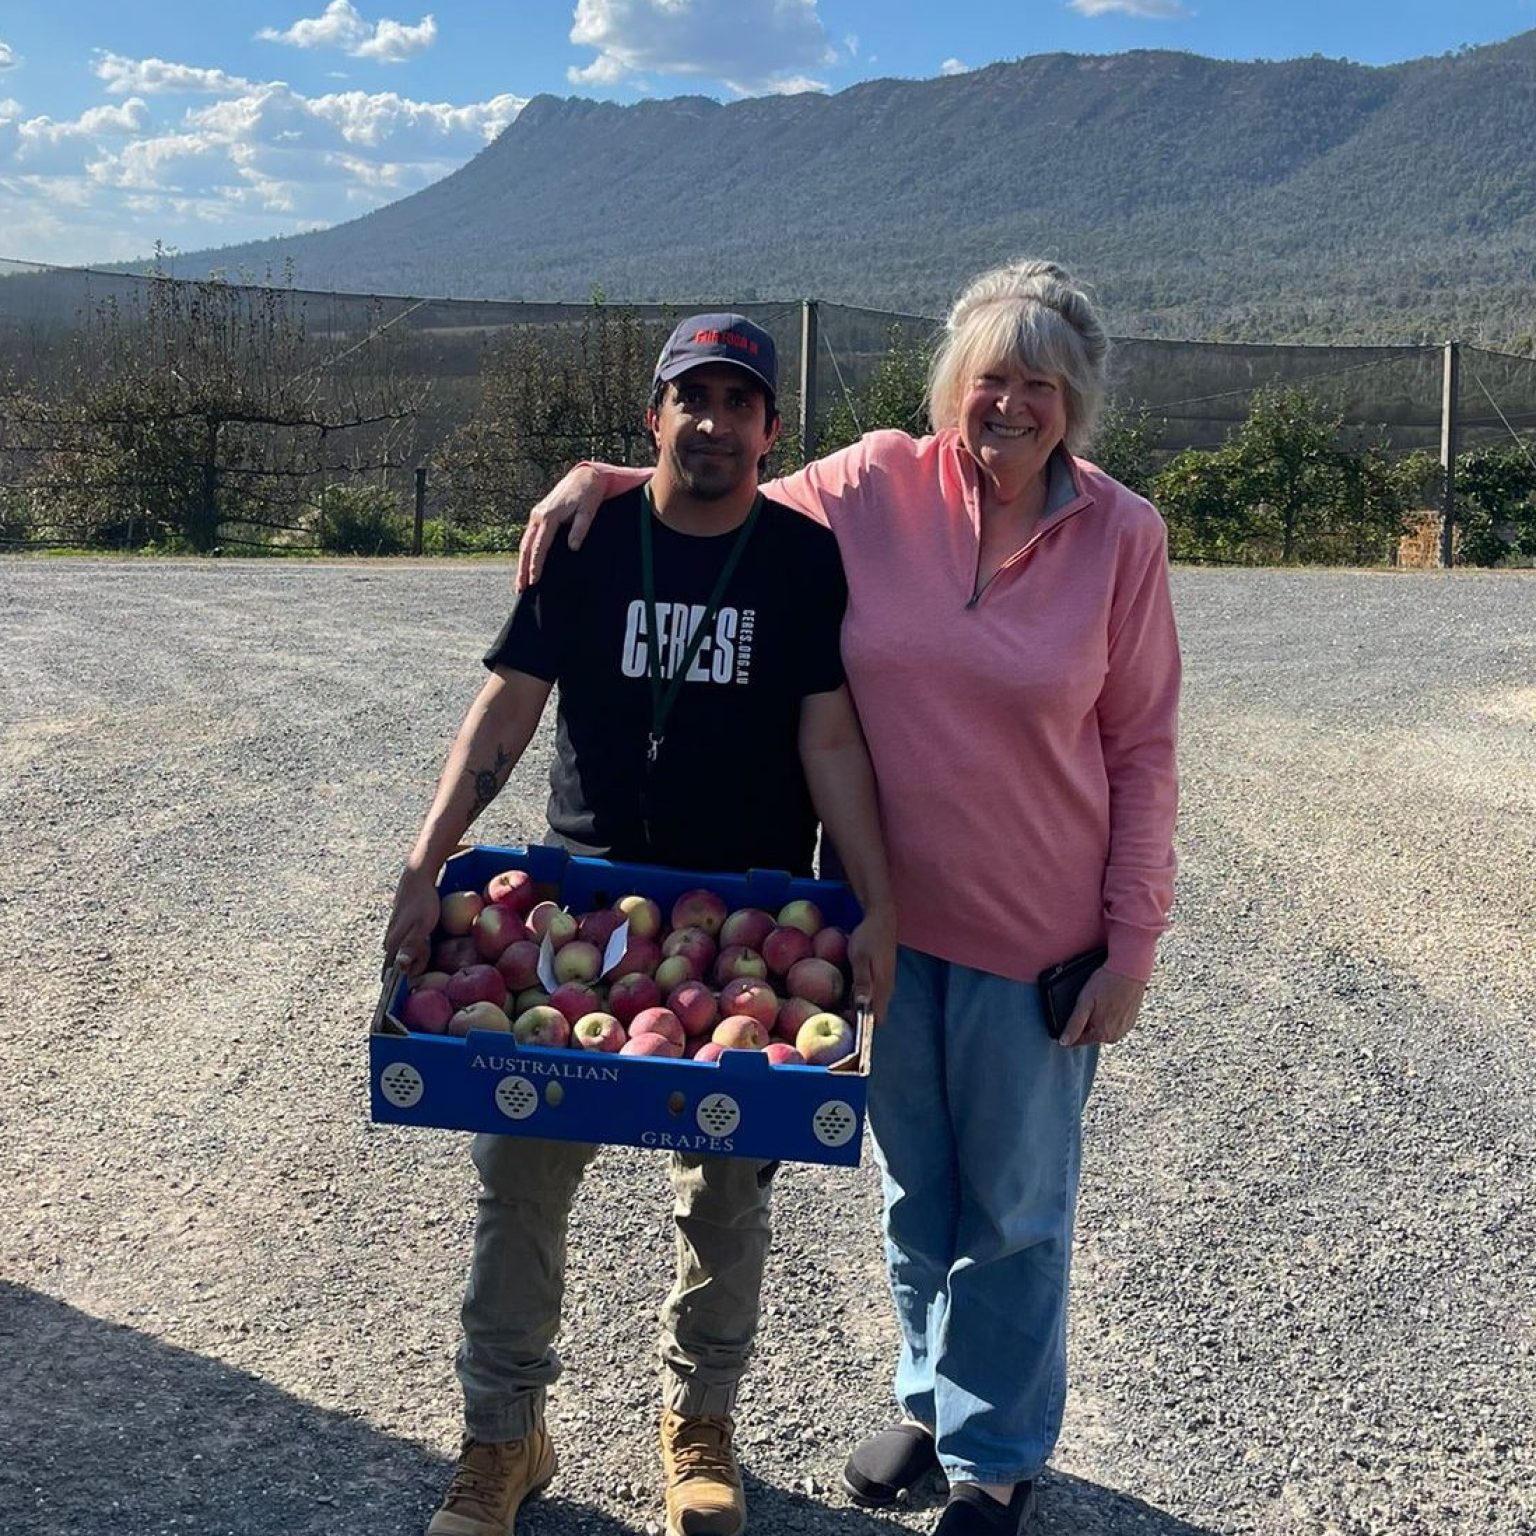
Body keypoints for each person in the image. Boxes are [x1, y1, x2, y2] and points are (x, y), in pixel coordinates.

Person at [516, 261, 1181, 1536]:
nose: (1012, 406)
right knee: (914, 1189)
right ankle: (931, 1397)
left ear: (1075, 402)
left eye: (1041, 385)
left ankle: (996, 1457)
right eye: (992, 378)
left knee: (1017, 1206)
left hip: (1039, 930)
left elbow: (1144, 747)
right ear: (952, 387)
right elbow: (715, 497)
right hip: (870, 924)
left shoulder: (1119, 537)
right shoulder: (878, 481)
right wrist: (594, 480)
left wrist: (1131, 943)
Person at [384, 311, 897, 1536]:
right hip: (581, 905)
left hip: (751, 919)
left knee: (727, 1190)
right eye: (692, 398)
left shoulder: (800, 562)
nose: (713, 423)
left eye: (739, 402)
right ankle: (504, 1438)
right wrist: (424, 862)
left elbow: (829, 738)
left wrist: (876, 904)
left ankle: (699, 1425)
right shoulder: (589, 538)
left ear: (773, 430)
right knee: (521, 1181)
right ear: (652, 418)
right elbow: (505, 710)